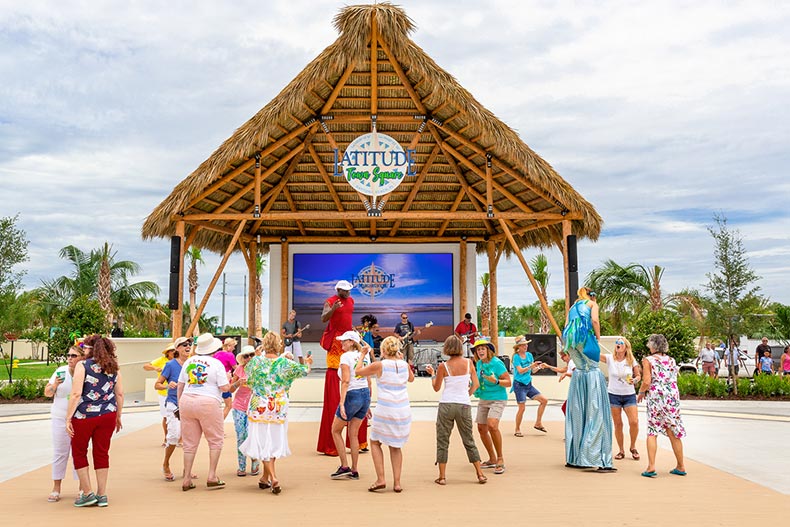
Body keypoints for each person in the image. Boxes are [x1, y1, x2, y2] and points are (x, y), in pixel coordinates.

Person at [240, 332, 311, 494]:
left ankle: (271, 477)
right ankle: (266, 478)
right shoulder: (285, 363)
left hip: (259, 406)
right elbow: (304, 371)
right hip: (278, 406)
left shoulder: (256, 362)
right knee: (273, 441)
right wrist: (308, 363)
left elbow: (248, 377)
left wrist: (257, 355)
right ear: (279, 345)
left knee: (262, 441)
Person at [65, 335, 124, 507]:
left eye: (85, 346)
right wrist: (118, 416)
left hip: (84, 416)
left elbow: (76, 394)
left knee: (79, 452)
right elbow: (119, 394)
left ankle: (88, 493)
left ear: (91, 348)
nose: (83, 349)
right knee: (101, 452)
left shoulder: (83, 365)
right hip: (107, 415)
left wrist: (68, 417)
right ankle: (102, 494)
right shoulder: (114, 367)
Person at [561, 287, 615, 472]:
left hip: (570, 343)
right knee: (595, 406)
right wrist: (597, 336)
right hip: (586, 342)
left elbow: (566, 325)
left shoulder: (573, 307)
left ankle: (575, 456)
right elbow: (594, 320)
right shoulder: (592, 304)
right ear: (591, 296)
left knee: (582, 372)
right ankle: (596, 455)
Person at [354, 336, 414, 493]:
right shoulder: (404, 365)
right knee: (396, 446)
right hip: (402, 410)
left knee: (375, 442)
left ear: (383, 350)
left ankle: (381, 479)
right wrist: (402, 360)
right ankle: (397, 483)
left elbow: (358, 372)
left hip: (385, 409)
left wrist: (362, 355)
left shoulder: (380, 365)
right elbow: (411, 379)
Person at [425, 335, 487, 485]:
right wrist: (466, 395)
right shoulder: (468, 363)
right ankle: (479, 474)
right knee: (469, 439)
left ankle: (442, 476)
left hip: (446, 404)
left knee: (443, 440)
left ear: (447, 348)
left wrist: (432, 375)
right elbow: (476, 384)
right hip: (463, 404)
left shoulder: (443, 366)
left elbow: (436, 388)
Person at [317, 279, 367, 456]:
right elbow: (324, 318)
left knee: (357, 377)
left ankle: (358, 441)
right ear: (338, 290)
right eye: (345, 291)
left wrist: (353, 332)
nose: (348, 293)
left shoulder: (351, 301)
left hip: (349, 338)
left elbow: (347, 318)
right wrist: (333, 309)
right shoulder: (330, 301)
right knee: (337, 374)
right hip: (336, 341)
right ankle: (331, 443)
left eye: (349, 291)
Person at [177, 333, 230, 491]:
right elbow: (225, 388)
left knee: (189, 443)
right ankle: (212, 476)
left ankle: (186, 479)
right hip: (208, 402)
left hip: (187, 401)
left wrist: (180, 404)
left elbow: (180, 385)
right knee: (215, 440)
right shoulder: (217, 363)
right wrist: (228, 378)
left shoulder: (189, 361)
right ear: (213, 348)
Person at [637, 333, 687, 478]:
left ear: (652, 345)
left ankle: (651, 466)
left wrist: (641, 393)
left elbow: (647, 381)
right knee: (673, 429)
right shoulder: (671, 360)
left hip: (657, 397)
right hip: (672, 397)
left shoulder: (648, 360)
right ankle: (681, 465)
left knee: (652, 430)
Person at [44, 345, 85, 502]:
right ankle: (56, 488)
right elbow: (47, 392)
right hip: (60, 417)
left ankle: (83, 488)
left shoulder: (85, 373)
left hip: (79, 419)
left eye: (74, 356)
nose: (70, 358)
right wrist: (54, 385)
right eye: (68, 355)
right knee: (60, 452)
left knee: (79, 453)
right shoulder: (60, 372)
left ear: (81, 358)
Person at [330, 331, 371, 480]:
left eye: (344, 341)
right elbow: (368, 379)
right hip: (364, 394)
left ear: (352, 342)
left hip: (352, 395)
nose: (342, 344)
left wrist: (341, 403)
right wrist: (369, 403)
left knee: (335, 430)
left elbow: (345, 381)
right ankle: (354, 469)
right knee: (353, 434)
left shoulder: (345, 357)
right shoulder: (364, 356)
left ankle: (344, 466)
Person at [472, 338, 510, 475]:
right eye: (478, 349)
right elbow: (477, 380)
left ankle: (500, 459)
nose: (480, 351)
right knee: (481, 428)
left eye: (483, 348)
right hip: (484, 398)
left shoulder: (497, 363)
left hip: (498, 398)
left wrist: (497, 381)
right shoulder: (479, 364)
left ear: (488, 350)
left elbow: (508, 382)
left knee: (492, 425)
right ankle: (492, 458)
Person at [601, 337, 641, 461]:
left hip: (629, 394)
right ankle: (621, 450)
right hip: (613, 394)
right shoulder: (609, 358)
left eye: (621, 343)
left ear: (626, 347)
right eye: (617, 343)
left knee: (634, 422)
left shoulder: (631, 360)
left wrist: (635, 380)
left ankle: (633, 447)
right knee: (618, 424)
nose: (618, 344)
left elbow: (638, 375)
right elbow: (595, 353)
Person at [155, 337, 190, 481]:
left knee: (189, 438)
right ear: (177, 349)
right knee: (174, 436)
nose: (188, 346)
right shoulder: (170, 365)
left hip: (189, 404)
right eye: (184, 345)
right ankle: (166, 463)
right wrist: (167, 385)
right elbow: (157, 384)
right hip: (173, 404)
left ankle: (187, 469)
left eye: (189, 344)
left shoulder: (192, 364)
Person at [228, 345, 260, 478]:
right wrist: (237, 383)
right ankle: (241, 465)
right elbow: (230, 389)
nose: (249, 358)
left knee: (253, 434)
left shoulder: (260, 370)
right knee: (241, 435)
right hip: (239, 406)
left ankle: (254, 460)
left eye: (251, 355)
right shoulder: (239, 370)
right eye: (246, 356)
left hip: (255, 406)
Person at [511, 335, 549, 436]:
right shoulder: (516, 357)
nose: (526, 346)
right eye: (523, 345)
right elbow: (520, 370)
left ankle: (538, 423)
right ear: (518, 347)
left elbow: (533, 370)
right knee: (522, 408)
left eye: (526, 345)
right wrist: (530, 366)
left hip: (528, 384)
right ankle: (517, 429)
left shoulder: (529, 355)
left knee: (544, 400)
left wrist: (539, 367)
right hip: (519, 385)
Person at [143, 343, 176, 446]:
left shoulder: (179, 360)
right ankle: (166, 438)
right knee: (166, 416)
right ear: (168, 353)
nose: (174, 353)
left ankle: (179, 439)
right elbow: (146, 366)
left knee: (179, 416)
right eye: (172, 351)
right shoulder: (161, 360)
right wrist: (155, 368)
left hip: (176, 392)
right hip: (164, 393)